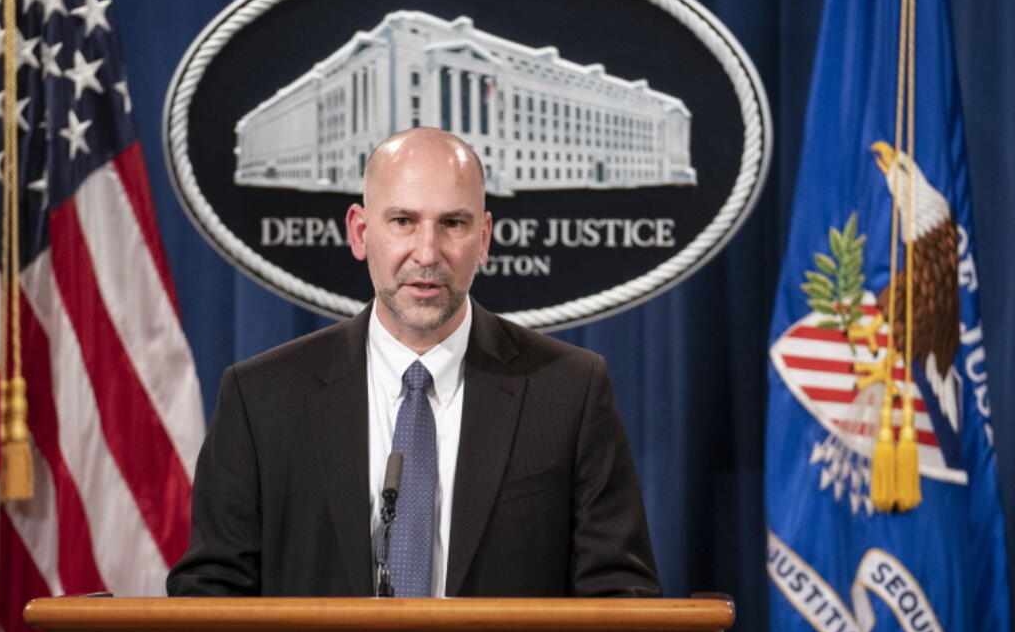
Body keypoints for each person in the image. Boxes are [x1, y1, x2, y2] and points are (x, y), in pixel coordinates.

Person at [167, 128, 660, 597]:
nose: (427, 252)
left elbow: (620, 598)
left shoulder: (568, 391)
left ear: (483, 239)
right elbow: (210, 596)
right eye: (403, 221)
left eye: (453, 223)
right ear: (360, 233)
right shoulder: (262, 398)